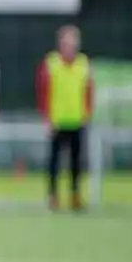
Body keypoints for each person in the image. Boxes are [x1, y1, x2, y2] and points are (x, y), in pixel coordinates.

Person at [37, 25, 94, 212]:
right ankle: (53, 196)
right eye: (66, 42)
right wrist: (47, 117)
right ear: (60, 44)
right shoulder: (51, 63)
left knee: (76, 162)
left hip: (77, 120)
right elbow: (43, 91)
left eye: (73, 42)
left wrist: (87, 113)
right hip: (57, 120)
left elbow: (89, 91)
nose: (70, 46)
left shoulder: (83, 64)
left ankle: (75, 196)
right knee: (54, 161)